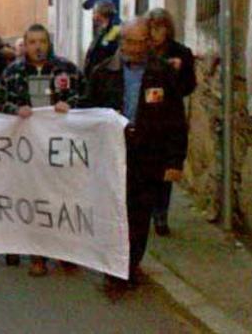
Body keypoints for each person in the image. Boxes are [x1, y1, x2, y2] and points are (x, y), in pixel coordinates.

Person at [80, 18, 188, 299]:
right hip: (113, 153)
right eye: (128, 41)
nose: (134, 48)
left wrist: (175, 162)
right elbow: (88, 112)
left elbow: (176, 120)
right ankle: (114, 271)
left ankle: (129, 265)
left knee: (139, 216)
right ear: (121, 41)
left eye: (140, 42)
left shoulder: (162, 74)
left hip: (148, 155)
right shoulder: (103, 72)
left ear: (148, 43)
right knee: (114, 211)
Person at [0, 24, 79, 275]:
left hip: (58, 147)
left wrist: (69, 105)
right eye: (32, 42)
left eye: (42, 41)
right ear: (25, 44)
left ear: (48, 43)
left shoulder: (67, 69)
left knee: (61, 198)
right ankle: (37, 254)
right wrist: (15, 110)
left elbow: (85, 97)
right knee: (34, 200)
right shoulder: (13, 72)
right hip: (26, 149)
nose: (38, 47)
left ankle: (65, 250)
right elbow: (0, 102)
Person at [147, 8, 196, 236]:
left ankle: (161, 214)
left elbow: (189, 85)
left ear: (168, 29)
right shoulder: (143, 52)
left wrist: (176, 75)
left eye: (160, 28)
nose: (156, 33)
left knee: (165, 170)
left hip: (169, 119)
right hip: (146, 117)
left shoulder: (181, 53)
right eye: (152, 28)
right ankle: (145, 211)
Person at [83, 0, 121, 78]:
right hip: (96, 74)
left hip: (105, 76)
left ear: (100, 14)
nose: (93, 16)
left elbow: (107, 51)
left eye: (94, 12)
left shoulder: (114, 30)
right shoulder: (101, 30)